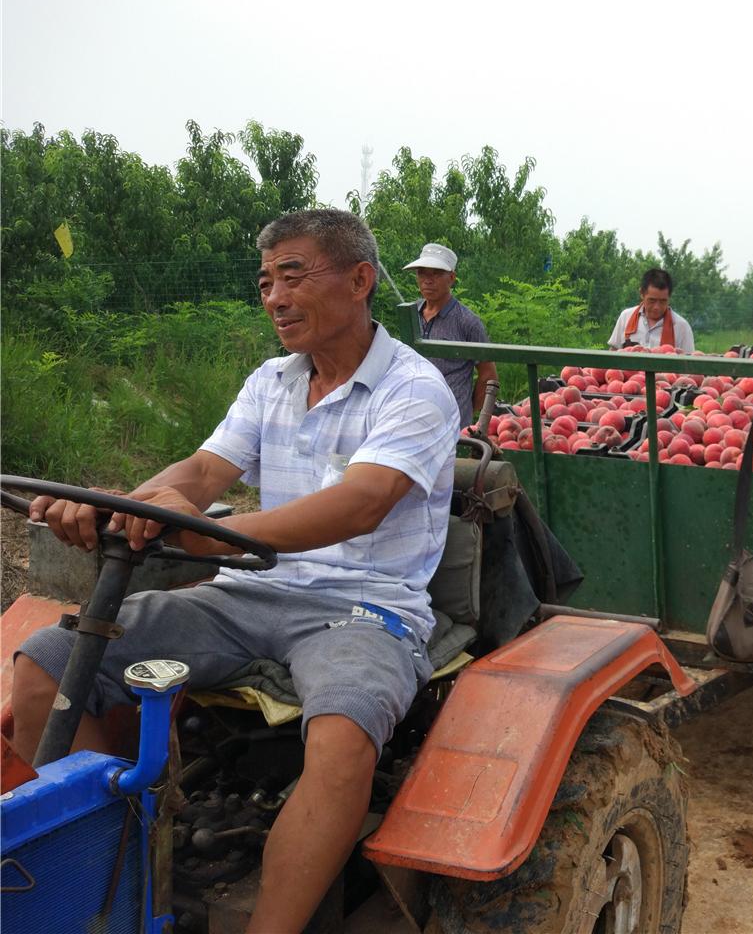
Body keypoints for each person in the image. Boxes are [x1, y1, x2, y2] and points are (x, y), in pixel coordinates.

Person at [12, 209, 459, 933]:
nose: (274, 297)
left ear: (360, 280)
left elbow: (362, 502)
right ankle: (122, 886)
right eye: (264, 282)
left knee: (343, 735)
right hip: (249, 594)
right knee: (45, 666)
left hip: (363, 607)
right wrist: (122, 508)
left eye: (292, 275)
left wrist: (215, 537)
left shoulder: (416, 389)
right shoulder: (271, 382)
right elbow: (200, 472)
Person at [404, 241, 498, 425]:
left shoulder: (467, 322)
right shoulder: (410, 314)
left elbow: (489, 376)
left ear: (452, 278)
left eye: (437, 273)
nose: (428, 280)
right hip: (414, 420)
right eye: (422, 272)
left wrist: (466, 409)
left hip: (452, 425)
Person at [607, 267, 695, 352]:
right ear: (642, 293)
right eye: (652, 300)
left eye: (663, 301)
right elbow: (613, 352)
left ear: (669, 297)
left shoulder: (681, 327)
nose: (657, 307)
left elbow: (689, 364)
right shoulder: (626, 317)